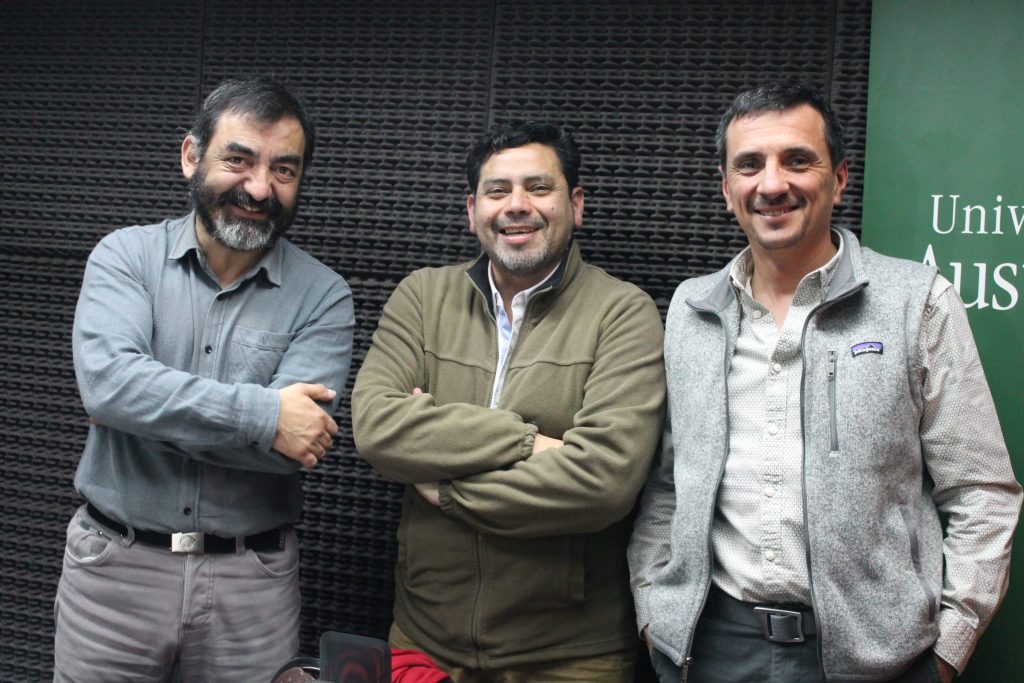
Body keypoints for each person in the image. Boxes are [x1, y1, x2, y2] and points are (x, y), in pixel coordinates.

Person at [628, 82, 1023, 683]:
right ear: (726, 188)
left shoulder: (917, 303)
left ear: (838, 179)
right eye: (749, 165)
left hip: (878, 658)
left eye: (797, 160)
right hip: (712, 649)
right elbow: (668, 483)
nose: (772, 184)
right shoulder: (691, 309)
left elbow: (982, 491)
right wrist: (655, 612)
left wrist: (946, 653)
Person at [53, 76, 355, 683]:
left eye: (284, 170)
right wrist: (264, 416)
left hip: (251, 586)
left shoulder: (324, 296)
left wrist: (143, 410)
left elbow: (293, 448)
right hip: (114, 573)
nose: (260, 188)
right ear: (192, 155)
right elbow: (110, 386)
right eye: (238, 160)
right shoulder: (125, 257)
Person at [351, 121, 666, 682]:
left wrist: (446, 486)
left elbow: (602, 481)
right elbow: (377, 427)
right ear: (472, 211)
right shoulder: (421, 297)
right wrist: (527, 442)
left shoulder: (623, 313)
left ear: (576, 205)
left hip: (568, 658)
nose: (517, 205)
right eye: (497, 191)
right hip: (423, 639)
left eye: (538, 188)